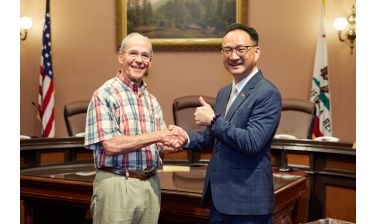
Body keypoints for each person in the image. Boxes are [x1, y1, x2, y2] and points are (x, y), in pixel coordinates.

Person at [172, 23, 282, 223]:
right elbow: (215, 138)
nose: (233, 56)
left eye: (241, 49)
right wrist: (184, 136)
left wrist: (213, 120)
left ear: (256, 52)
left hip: (247, 205)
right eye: (227, 50)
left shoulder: (267, 93)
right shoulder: (224, 92)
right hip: (220, 198)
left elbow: (252, 142)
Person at [84, 32, 186, 224]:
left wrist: (180, 140)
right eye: (133, 53)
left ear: (150, 61)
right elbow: (111, 145)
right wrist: (159, 135)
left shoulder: (151, 100)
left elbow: (160, 144)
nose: (139, 60)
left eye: (145, 55)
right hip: (117, 185)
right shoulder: (104, 95)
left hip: (150, 184)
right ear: (121, 57)